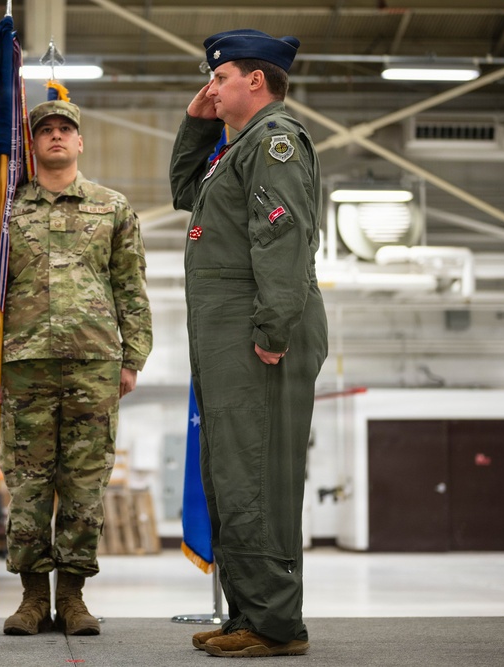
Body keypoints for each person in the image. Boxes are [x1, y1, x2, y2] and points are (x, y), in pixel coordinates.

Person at [0, 99, 153, 636]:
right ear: (33, 143)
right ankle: (30, 600)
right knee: (27, 486)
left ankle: (72, 597)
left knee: (85, 486)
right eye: (47, 131)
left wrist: (132, 357)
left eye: (67, 129)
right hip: (23, 365)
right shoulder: (3, 208)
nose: (58, 137)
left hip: (94, 364)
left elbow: (130, 286)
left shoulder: (112, 208)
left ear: (81, 141)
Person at [169, 29, 328, 658]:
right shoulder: (236, 149)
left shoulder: (276, 143)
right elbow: (186, 192)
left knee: (257, 477)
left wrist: (272, 328)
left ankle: (275, 624)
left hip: (256, 332)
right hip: (229, 334)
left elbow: (282, 239)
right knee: (232, 475)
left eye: (220, 77)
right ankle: (249, 614)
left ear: (255, 81)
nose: (210, 88)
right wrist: (194, 122)